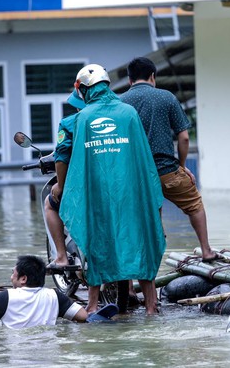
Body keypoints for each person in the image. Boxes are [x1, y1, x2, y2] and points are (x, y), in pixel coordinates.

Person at [59, 63, 166, 315]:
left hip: (98, 195)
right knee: (139, 240)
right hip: (131, 192)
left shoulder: (83, 117)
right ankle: (151, 307)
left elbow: (78, 165)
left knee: (97, 241)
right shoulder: (128, 113)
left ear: (85, 90)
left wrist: (69, 190)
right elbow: (142, 158)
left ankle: (93, 305)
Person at [120, 57, 217, 262]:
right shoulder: (166, 97)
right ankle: (206, 251)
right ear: (152, 77)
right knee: (194, 205)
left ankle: (131, 282)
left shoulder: (120, 103)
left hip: (136, 176)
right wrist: (181, 167)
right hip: (167, 172)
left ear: (130, 80)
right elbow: (183, 137)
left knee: (140, 222)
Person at [14, 90, 85, 271]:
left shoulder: (71, 123)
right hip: (110, 187)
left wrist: (60, 185)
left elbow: (61, 156)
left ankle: (61, 256)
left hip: (80, 187)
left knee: (50, 202)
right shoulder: (117, 120)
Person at [0, 255, 89, 329]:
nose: (11, 277)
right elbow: (83, 316)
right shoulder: (55, 296)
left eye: (13, 273)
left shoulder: (6, 297)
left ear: (23, 279)